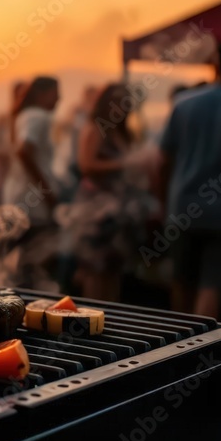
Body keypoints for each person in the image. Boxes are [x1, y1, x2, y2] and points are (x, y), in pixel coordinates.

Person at [160, 43, 221, 319]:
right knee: (212, 285)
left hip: (183, 207)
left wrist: (164, 202)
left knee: (182, 281)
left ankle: (179, 340)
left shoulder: (184, 104)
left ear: (216, 63)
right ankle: (203, 341)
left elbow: (163, 160)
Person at [61, 84, 156, 301]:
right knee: (96, 269)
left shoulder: (120, 131)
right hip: (96, 212)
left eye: (125, 102)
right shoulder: (96, 128)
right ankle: (93, 315)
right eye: (117, 101)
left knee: (113, 268)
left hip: (118, 211)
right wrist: (124, 164)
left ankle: (108, 316)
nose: (122, 107)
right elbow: (86, 165)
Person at [2, 76, 61, 225]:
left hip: (20, 194)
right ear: (41, 95)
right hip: (32, 199)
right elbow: (24, 152)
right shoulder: (37, 116)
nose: (59, 98)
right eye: (55, 93)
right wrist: (45, 189)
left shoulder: (24, 115)